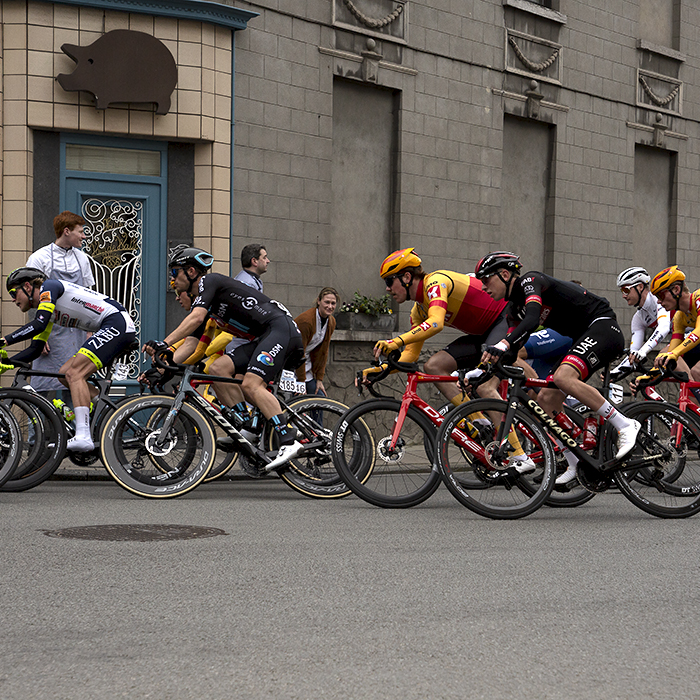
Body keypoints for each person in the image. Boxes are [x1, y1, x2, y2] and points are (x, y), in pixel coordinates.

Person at [363, 247, 535, 474]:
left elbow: (436, 323)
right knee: (433, 366)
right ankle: (480, 422)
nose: (387, 288)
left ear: (406, 277)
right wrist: (381, 370)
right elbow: (411, 356)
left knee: (484, 385)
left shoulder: (436, 282)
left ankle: (519, 455)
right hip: (482, 334)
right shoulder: (418, 310)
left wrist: (396, 341)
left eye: (389, 281)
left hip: (504, 318)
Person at [475, 251, 640, 485]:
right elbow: (512, 349)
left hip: (602, 326)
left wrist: (502, 344)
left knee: (563, 377)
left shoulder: (529, 281)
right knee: (546, 399)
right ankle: (575, 462)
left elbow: (532, 319)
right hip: (583, 337)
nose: (483, 287)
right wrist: (483, 370)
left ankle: (625, 425)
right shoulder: (513, 309)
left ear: (504, 274)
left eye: (486, 279)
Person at [143, 261, 305, 473]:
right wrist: (160, 368)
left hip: (280, 330)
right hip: (264, 337)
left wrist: (163, 343)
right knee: (217, 369)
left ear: (191, 272)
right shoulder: (207, 309)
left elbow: (195, 317)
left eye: (175, 273)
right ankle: (248, 427)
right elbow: (191, 345)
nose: (172, 280)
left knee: (251, 385)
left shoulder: (210, 281)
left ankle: (288, 438)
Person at [1, 267, 136, 451]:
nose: (12, 299)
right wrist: (7, 364)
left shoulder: (49, 287)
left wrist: (4, 341)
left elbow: (38, 324)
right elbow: (35, 349)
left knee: (74, 373)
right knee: (64, 374)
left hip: (115, 323)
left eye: (13, 292)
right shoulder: (49, 310)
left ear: (27, 286)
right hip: (113, 325)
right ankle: (108, 411)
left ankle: (82, 435)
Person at [25, 211, 95, 396]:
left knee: (74, 384)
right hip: (50, 330)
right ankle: (38, 425)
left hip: (77, 332)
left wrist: (89, 333)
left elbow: (89, 296)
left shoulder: (82, 258)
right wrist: (39, 335)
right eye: (80, 231)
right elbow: (32, 299)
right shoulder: (39, 258)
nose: (84, 236)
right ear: (66, 231)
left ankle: (74, 424)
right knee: (43, 388)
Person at [610, 266, 671, 379]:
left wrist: (644, 351)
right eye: (622, 291)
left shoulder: (658, 300)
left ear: (640, 287)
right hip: (682, 341)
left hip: (693, 334)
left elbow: (664, 327)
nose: (623, 295)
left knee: (664, 354)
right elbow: (634, 354)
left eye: (626, 290)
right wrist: (613, 373)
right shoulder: (638, 318)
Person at [649, 265, 700, 381]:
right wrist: (648, 376)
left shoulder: (699, 298)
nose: (658, 301)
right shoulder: (679, 317)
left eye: (660, 295)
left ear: (676, 290)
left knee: (697, 372)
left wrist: (675, 353)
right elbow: (672, 350)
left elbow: (699, 330)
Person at [294, 287, 339, 396]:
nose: (330, 306)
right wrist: (301, 381)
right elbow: (299, 351)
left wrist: (319, 379)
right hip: (291, 366)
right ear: (319, 301)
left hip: (306, 368)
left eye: (333, 303)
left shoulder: (331, 322)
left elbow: (324, 351)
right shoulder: (306, 321)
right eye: (327, 302)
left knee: (319, 397)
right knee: (296, 402)